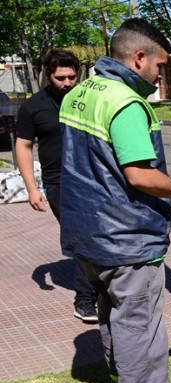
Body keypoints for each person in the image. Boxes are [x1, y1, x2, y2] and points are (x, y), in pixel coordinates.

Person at [58, 18, 171, 383]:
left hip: (88, 236)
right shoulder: (125, 102)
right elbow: (140, 176)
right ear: (139, 58)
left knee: (112, 318)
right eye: (161, 66)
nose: (161, 76)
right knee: (140, 331)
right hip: (126, 240)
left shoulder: (83, 91)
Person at [15, 49, 100, 323]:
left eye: (72, 77)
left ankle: (103, 290)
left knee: (100, 233)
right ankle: (85, 300)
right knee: (81, 235)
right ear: (48, 76)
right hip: (59, 182)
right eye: (60, 77)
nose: (67, 83)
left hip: (92, 177)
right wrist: (31, 189)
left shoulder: (87, 99)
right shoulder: (33, 107)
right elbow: (24, 146)